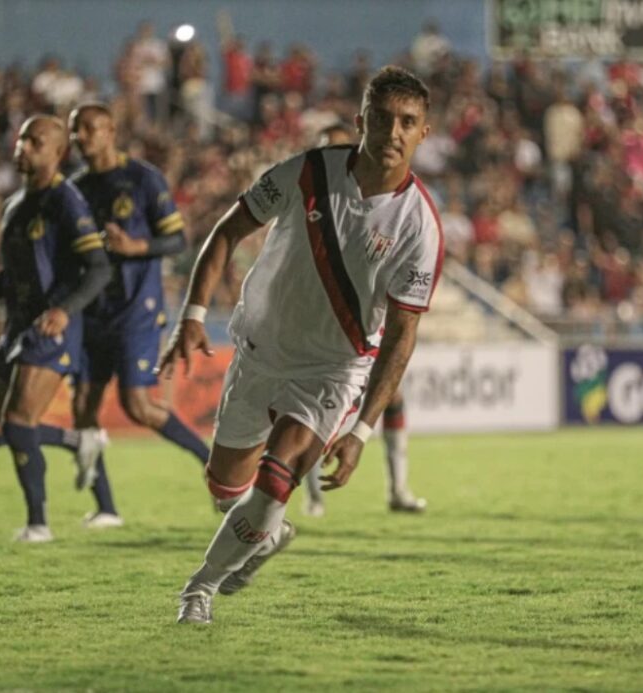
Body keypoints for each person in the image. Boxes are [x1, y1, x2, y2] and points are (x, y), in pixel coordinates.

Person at [159, 66, 443, 624]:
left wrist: (362, 430)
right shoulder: (307, 171)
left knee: (278, 473)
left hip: (333, 370)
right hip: (260, 352)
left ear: (423, 134)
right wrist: (192, 314)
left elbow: (403, 337)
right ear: (361, 121)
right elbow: (226, 232)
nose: (393, 132)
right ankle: (263, 534)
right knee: (226, 490)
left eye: (408, 122)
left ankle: (199, 589)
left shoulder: (420, 227)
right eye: (383, 119)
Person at [0, 115, 112, 542]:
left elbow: (99, 269)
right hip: (17, 327)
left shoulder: (67, 201)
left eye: (35, 141)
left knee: (20, 420)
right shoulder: (15, 205)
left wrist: (65, 309)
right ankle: (78, 443)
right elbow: (15, 273)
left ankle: (38, 524)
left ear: (58, 152)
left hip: (52, 326)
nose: (22, 146)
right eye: (22, 137)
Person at [67, 103, 211, 528]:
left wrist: (136, 248)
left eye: (91, 129)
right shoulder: (74, 189)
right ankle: (106, 507)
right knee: (82, 407)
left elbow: (178, 239)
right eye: (76, 131)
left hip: (135, 311)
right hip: (92, 312)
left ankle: (212, 463)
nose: (83, 138)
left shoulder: (143, 178)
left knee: (138, 406)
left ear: (111, 131)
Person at [301, 123, 426, 517]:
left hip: (369, 321)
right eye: (327, 150)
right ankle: (313, 496)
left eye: (341, 149)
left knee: (393, 396)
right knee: (309, 409)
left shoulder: (381, 202)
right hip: (318, 324)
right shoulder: (308, 201)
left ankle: (398, 489)